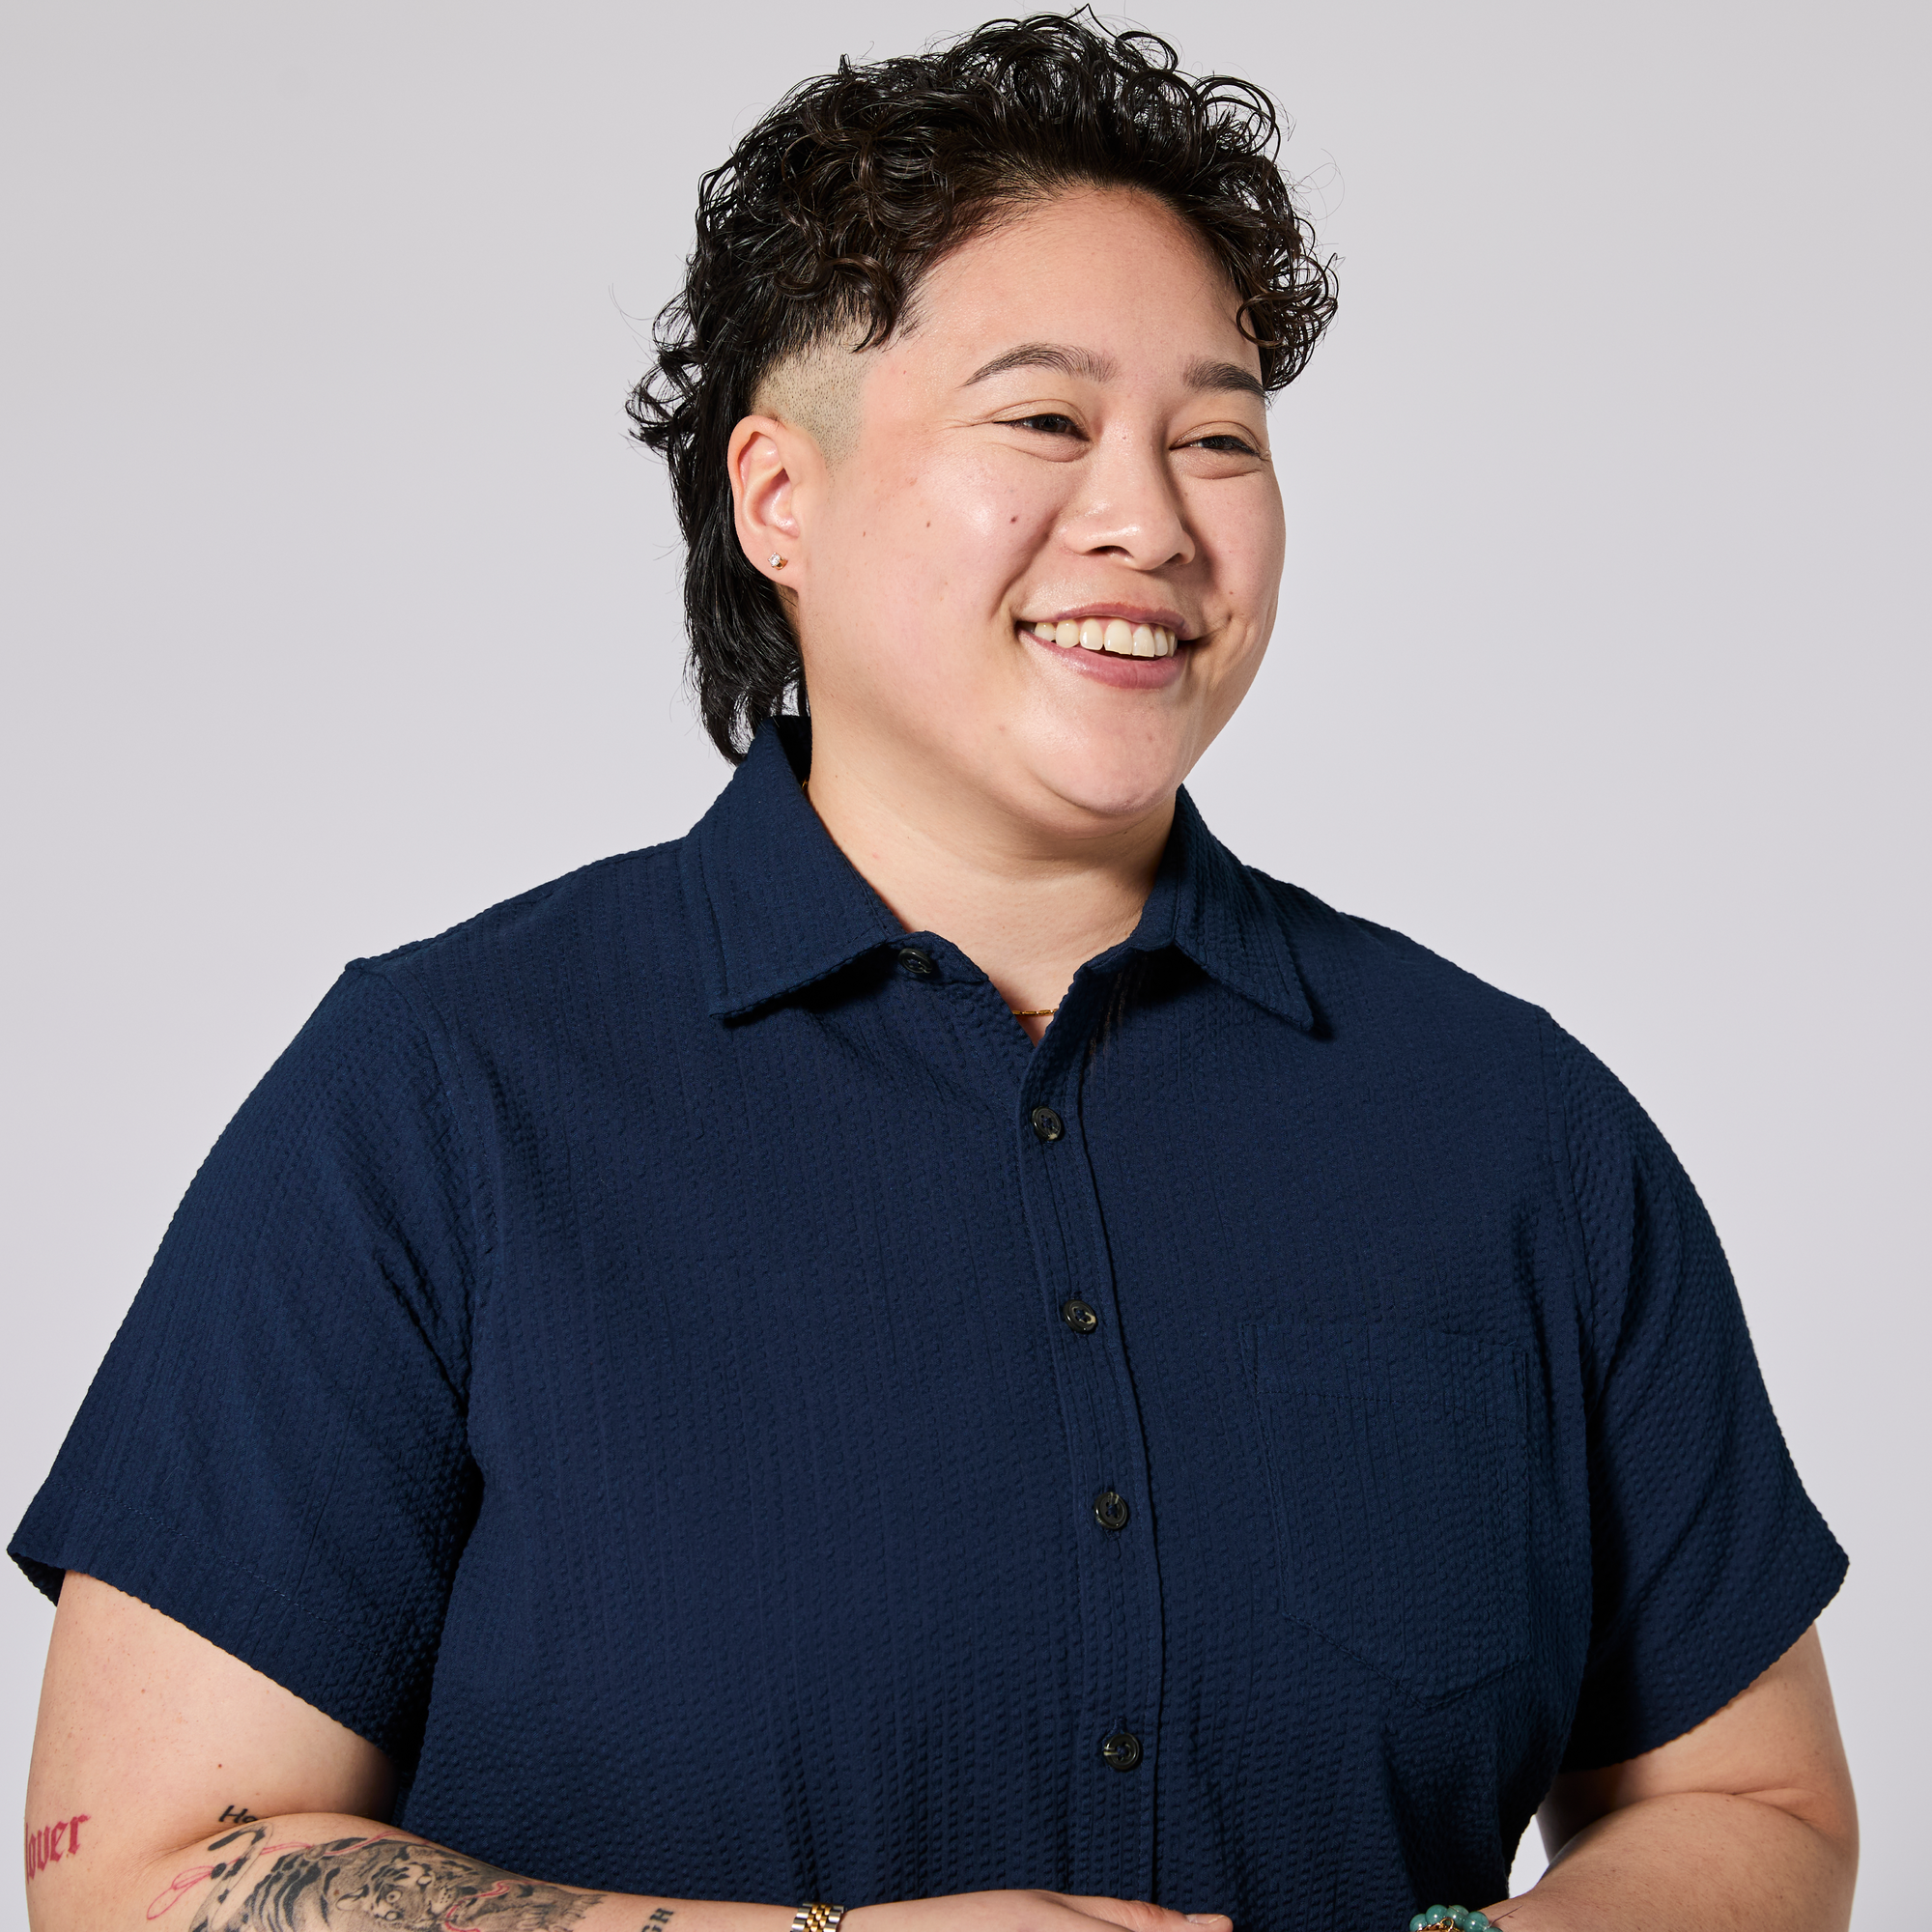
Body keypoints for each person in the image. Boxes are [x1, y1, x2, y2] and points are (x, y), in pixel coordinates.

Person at [14, 14, 1856, 1932]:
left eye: (1216, 435)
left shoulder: (1511, 1127)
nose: (1150, 517)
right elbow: (152, 1871)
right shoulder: (433, 1100)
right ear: (775, 497)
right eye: (1044, 420)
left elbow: (1751, 1796)